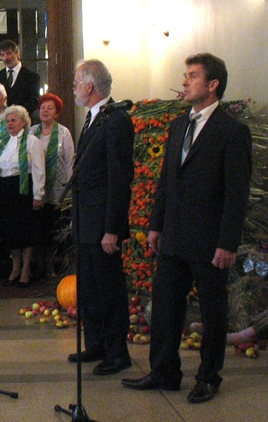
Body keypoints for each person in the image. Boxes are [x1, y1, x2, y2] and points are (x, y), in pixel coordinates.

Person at [122, 53, 252, 404]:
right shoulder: (180, 125)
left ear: (213, 84)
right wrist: (156, 224)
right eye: (186, 75)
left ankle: (208, 377)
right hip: (174, 235)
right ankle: (164, 372)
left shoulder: (231, 130)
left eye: (193, 76)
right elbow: (167, 180)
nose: (185, 81)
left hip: (210, 240)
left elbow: (236, 193)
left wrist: (227, 243)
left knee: (212, 311)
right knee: (165, 306)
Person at [68, 59, 134, 376]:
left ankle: (117, 352)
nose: (74, 88)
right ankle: (96, 344)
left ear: (89, 86)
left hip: (103, 224)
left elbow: (118, 179)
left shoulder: (116, 120)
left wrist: (112, 228)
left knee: (108, 289)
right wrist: (76, 216)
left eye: (76, 83)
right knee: (89, 288)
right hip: (86, 220)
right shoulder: (94, 117)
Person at [0, 106, 45, 288]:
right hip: (6, 190)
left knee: (26, 231)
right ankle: (15, 268)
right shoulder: (1, 143)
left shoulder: (32, 142)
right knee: (10, 231)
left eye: (13, 120)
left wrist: (38, 194)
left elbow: (39, 169)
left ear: (23, 122)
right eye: (7, 121)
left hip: (24, 190)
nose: (9, 124)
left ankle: (26, 270)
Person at [29, 93, 75, 277]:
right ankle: (38, 264)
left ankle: (50, 264)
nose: (45, 111)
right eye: (42, 107)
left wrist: (70, 190)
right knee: (37, 229)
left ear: (57, 113)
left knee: (52, 229)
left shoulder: (63, 133)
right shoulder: (32, 132)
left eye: (50, 108)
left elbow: (70, 162)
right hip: (36, 190)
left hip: (57, 190)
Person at [0, 40, 40, 115]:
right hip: (0, 119)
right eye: (2, 55)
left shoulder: (31, 77)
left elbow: (34, 102)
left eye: (8, 53)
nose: (6, 58)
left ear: (17, 53)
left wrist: (15, 114)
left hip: (22, 119)